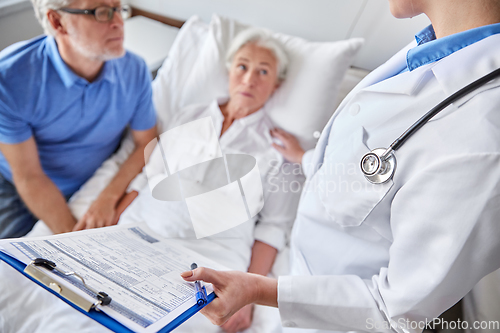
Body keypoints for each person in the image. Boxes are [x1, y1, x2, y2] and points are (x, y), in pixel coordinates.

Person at [181, 0, 500, 332]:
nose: (249, 79)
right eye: (242, 66)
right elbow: (367, 167)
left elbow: (395, 311)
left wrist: (258, 288)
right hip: (297, 273)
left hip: (331, 317)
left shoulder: (484, 138)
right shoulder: (435, 52)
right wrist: (305, 158)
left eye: (263, 70)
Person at [0, 0, 157, 238]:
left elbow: (146, 141)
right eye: (101, 12)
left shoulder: (135, 70)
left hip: (92, 182)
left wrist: (108, 195)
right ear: (57, 21)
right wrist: (75, 242)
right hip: (18, 187)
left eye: (119, 9)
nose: (118, 23)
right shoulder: (10, 80)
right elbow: (29, 176)